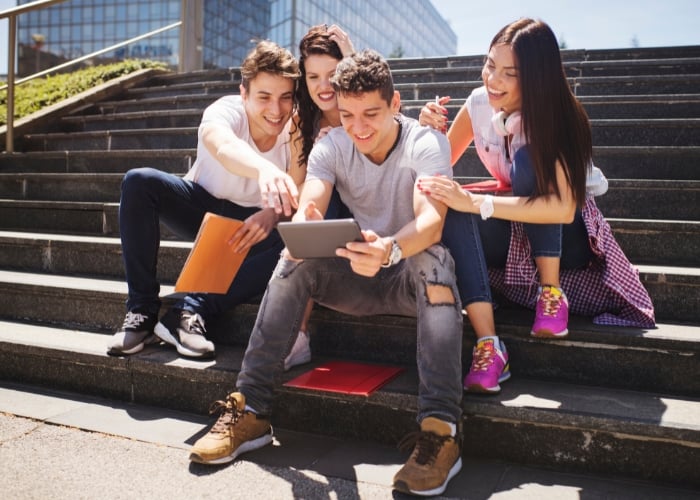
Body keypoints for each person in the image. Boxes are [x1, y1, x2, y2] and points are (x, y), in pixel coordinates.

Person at [189, 49, 465, 497]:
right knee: (293, 257)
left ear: (396, 105)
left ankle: (441, 431)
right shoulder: (332, 145)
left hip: (403, 274)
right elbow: (311, 199)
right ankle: (251, 408)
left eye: (371, 113)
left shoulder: (424, 143)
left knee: (434, 262)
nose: (358, 127)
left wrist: (390, 248)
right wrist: (306, 218)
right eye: (349, 113)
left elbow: (431, 222)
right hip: (354, 273)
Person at [418, 18, 655, 394]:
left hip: (568, 235)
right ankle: (490, 346)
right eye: (490, 65)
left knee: (529, 160)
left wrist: (478, 201)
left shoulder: (556, 117)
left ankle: (551, 293)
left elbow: (561, 210)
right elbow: (438, 162)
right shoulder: (479, 104)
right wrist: (427, 131)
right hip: (515, 223)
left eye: (509, 73)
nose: (492, 80)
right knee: (450, 204)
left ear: (535, 77)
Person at [107, 41, 306, 366]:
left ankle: (187, 311)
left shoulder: (296, 127)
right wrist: (265, 169)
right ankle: (141, 311)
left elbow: (297, 186)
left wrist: (271, 214)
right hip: (201, 209)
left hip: (252, 227)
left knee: (297, 236)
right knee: (139, 181)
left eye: (286, 97)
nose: (276, 109)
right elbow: (223, 147)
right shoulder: (224, 110)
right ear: (244, 94)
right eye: (264, 97)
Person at [282, 23, 356, 371]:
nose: (323, 86)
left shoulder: (363, 106)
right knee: (309, 217)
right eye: (313, 77)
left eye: (333, 74)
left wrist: (342, 142)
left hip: (370, 218)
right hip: (325, 219)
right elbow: (300, 189)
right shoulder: (303, 122)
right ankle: (295, 336)